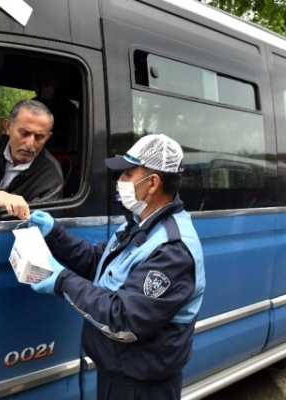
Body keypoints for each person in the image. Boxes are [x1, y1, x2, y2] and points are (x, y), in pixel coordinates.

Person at [28, 134, 206, 399]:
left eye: (127, 174)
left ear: (153, 183)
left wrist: (62, 280)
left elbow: (124, 318)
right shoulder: (139, 223)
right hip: (119, 371)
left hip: (141, 387)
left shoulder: (172, 250)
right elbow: (97, 261)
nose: (119, 181)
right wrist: (55, 233)